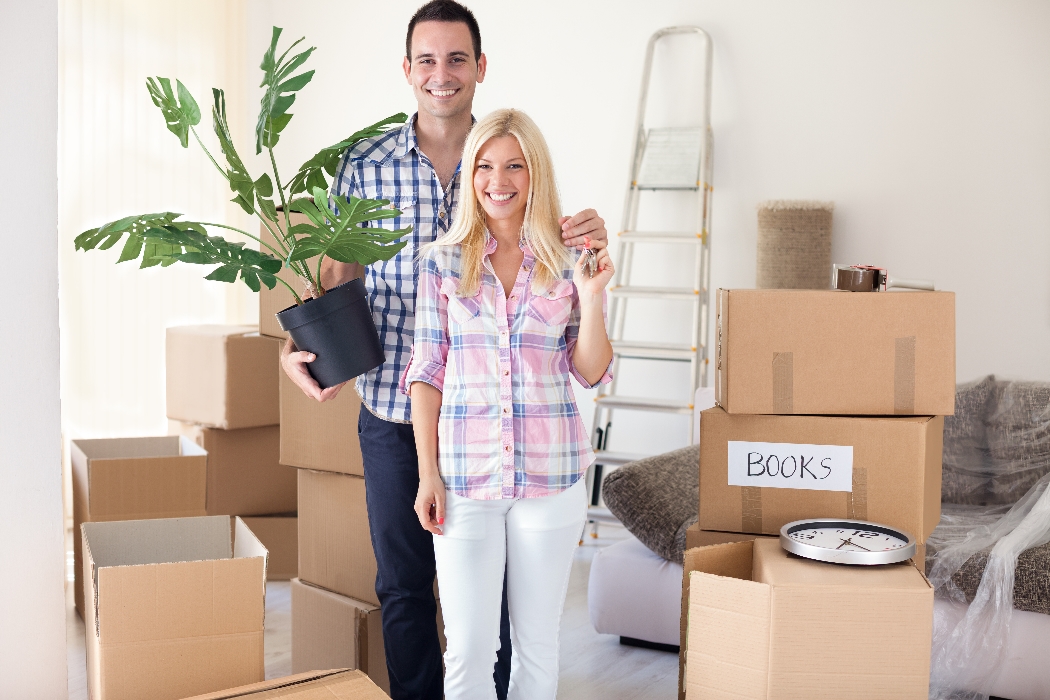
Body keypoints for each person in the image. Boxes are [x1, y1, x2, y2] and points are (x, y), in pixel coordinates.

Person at [279, 3, 609, 699]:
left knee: (498, 604)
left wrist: (594, 244)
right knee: (402, 587)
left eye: (457, 59)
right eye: (426, 60)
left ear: (480, 68)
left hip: (500, 424)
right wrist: (301, 346)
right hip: (396, 411)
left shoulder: (506, 166)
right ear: (407, 71)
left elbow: (560, 277)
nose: (442, 74)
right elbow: (337, 277)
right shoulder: (365, 167)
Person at [404, 108, 614, 700]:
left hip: (551, 480)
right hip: (466, 478)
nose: (500, 180)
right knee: (469, 651)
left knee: (537, 648)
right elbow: (427, 372)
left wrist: (593, 297)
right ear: (471, 175)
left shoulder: (569, 259)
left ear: (534, 172)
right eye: (486, 166)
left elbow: (590, 368)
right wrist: (428, 473)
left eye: (515, 165)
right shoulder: (441, 261)